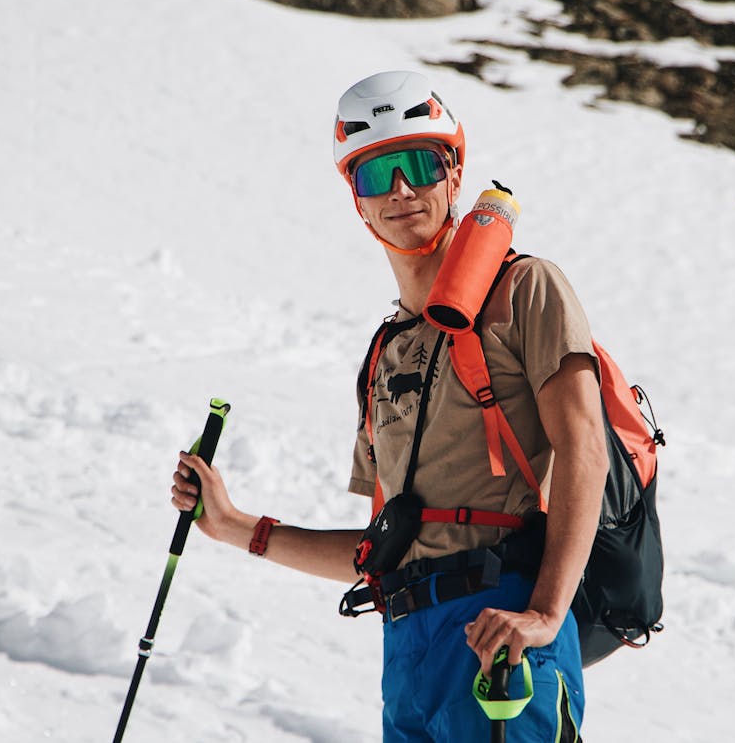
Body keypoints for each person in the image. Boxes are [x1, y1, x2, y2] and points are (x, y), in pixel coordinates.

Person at [171, 70, 608, 742]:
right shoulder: (386, 356)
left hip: (503, 636)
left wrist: (546, 612)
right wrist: (235, 524)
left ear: (454, 173)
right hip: (407, 653)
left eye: (420, 164)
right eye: (377, 174)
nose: (401, 190)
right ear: (357, 199)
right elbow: (386, 547)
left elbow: (586, 448)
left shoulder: (525, 289)